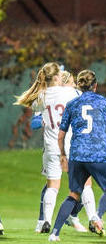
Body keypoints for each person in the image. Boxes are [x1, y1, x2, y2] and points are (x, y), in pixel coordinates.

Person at [15, 62, 88, 233]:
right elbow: (84, 100)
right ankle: (87, 217)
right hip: (70, 145)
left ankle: (47, 221)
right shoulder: (71, 92)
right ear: (57, 77)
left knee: (52, 186)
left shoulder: (42, 95)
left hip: (51, 147)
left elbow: (35, 106)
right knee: (84, 182)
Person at [48, 69, 106, 241]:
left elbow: (61, 135)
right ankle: (97, 216)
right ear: (95, 86)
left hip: (78, 155)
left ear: (80, 87)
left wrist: (63, 156)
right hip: (98, 154)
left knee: (74, 194)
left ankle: (54, 233)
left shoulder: (72, 104)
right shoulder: (104, 102)